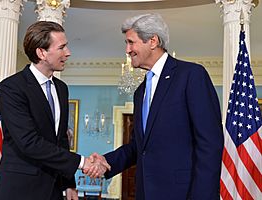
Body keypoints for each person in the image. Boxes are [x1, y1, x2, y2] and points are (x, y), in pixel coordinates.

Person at [89, 13, 224, 199]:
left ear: (153, 41)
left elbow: (209, 143)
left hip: (184, 194)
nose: (127, 50)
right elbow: (139, 146)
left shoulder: (191, 75)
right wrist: (107, 161)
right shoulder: (141, 91)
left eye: (131, 42)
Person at [0, 21, 110, 200]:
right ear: (41, 53)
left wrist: (69, 183)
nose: (68, 53)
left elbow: (61, 140)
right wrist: (83, 162)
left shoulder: (61, 88)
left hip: (53, 189)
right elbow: (28, 142)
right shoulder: (11, 88)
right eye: (62, 47)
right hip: (19, 189)